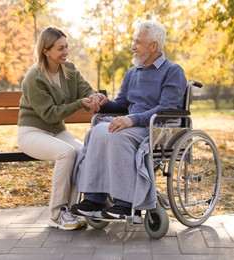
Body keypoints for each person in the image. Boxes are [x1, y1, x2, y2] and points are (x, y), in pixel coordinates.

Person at [71, 20, 187, 223]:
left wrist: (132, 120)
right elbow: (122, 104)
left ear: (153, 46)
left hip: (157, 129)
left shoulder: (173, 71)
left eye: (138, 42)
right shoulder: (132, 72)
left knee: (118, 136)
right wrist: (103, 104)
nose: (133, 46)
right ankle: (94, 199)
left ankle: (124, 204)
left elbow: (166, 109)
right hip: (133, 124)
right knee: (97, 131)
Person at [17, 26, 106, 230]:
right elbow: (50, 114)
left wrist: (94, 96)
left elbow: (84, 88)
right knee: (66, 153)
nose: (65, 52)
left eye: (67, 46)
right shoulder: (34, 76)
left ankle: (72, 210)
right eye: (60, 48)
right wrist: (80, 104)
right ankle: (56, 214)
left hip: (56, 131)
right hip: (32, 132)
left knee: (82, 151)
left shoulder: (69, 68)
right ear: (46, 51)